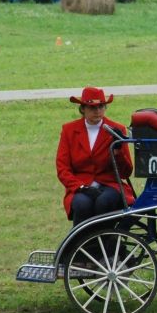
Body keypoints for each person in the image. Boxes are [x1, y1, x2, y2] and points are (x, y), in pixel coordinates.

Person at [56, 87, 135, 226]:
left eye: (101, 107)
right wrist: (80, 187)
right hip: (81, 185)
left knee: (104, 202)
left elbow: (126, 172)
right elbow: (62, 168)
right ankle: (86, 245)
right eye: (92, 108)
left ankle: (108, 242)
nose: (97, 111)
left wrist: (118, 152)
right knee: (82, 204)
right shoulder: (69, 130)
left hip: (110, 184)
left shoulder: (116, 129)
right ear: (83, 109)